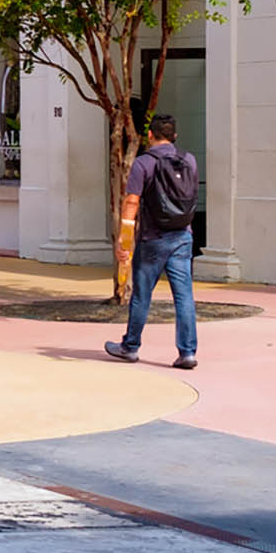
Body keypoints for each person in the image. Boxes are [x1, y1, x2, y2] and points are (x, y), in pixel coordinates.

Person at [106, 114, 200, 370]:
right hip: (183, 236)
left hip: (152, 239)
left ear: (150, 135)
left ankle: (130, 346)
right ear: (174, 136)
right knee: (184, 297)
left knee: (141, 296)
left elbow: (132, 202)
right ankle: (188, 352)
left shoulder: (143, 163)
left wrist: (124, 242)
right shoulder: (189, 160)